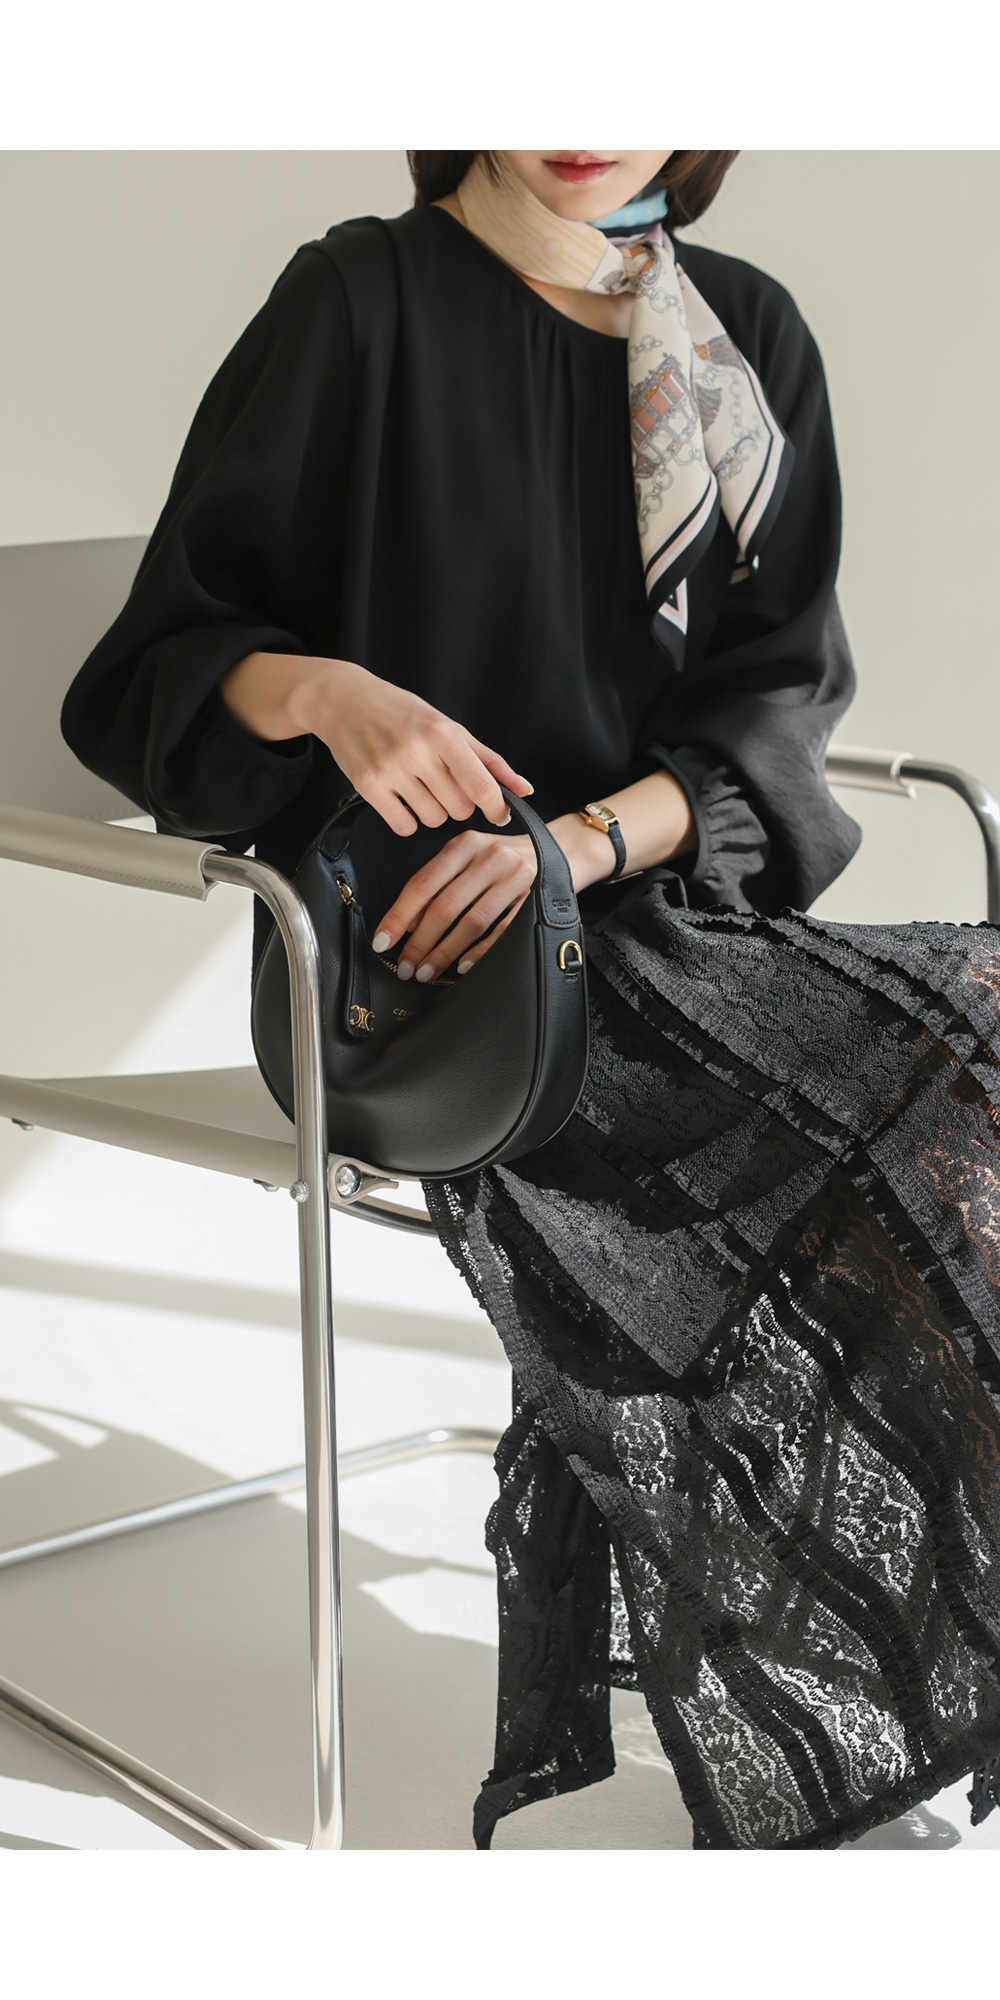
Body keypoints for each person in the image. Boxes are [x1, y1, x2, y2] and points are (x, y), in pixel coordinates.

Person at [61, 150, 1000, 1851]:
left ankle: (891, 1637)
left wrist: (575, 847)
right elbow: (146, 675)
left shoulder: (742, 338)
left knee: (975, 1041)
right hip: (419, 973)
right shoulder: (360, 300)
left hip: (652, 912)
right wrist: (328, 693)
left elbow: (774, 705)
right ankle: (848, 1650)